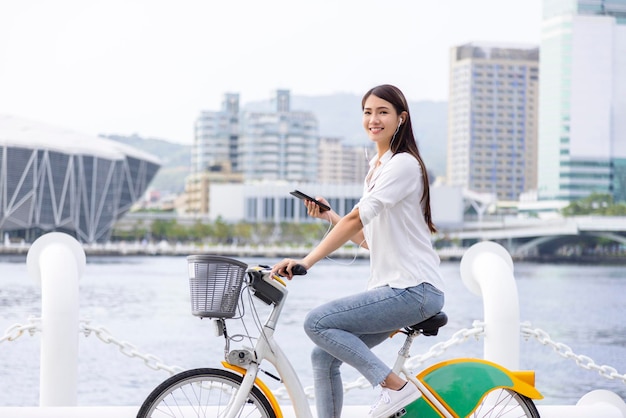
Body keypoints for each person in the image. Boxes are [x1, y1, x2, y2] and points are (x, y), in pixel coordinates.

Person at [272, 84, 445, 418]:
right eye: (367, 112)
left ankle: (394, 386)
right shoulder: (377, 168)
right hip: (398, 289)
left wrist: (306, 261)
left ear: (401, 119)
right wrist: (329, 216)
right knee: (323, 357)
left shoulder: (403, 166)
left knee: (316, 323)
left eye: (383, 112)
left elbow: (355, 218)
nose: (373, 119)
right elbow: (368, 238)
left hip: (413, 290)